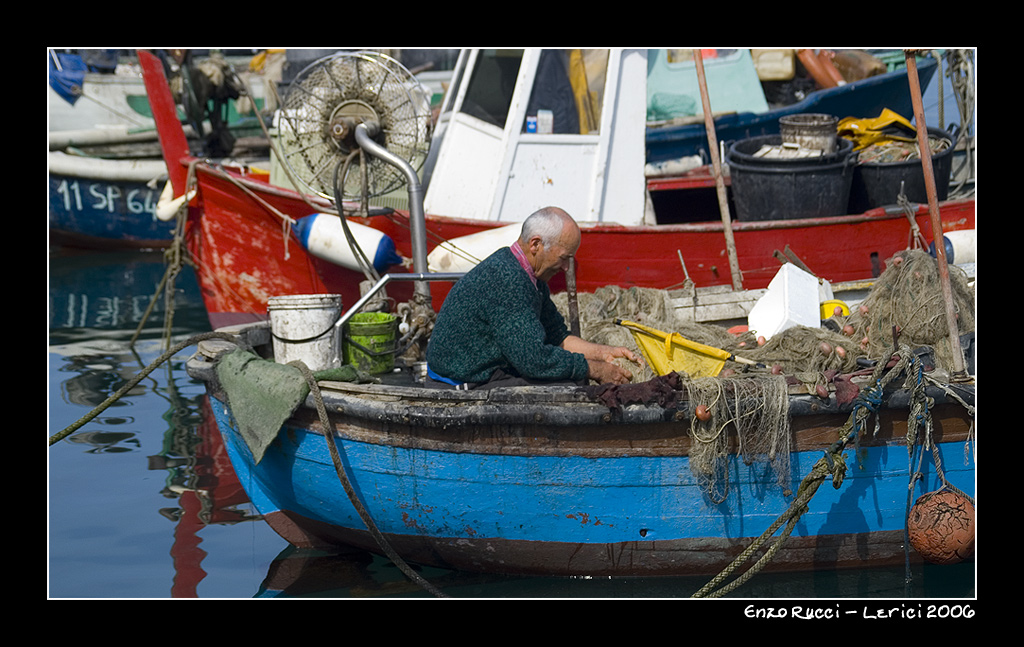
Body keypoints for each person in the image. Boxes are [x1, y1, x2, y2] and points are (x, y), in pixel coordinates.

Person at [425, 207, 642, 389]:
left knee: (573, 377)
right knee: (568, 388)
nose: (567, 268)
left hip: (488, 371)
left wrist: (604, 353)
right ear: (536, 244)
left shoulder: (530, 277)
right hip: (460, 382)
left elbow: (558, 337)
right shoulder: (507, 279)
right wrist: (594, 369)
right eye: (564, 258)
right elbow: (534, 360)